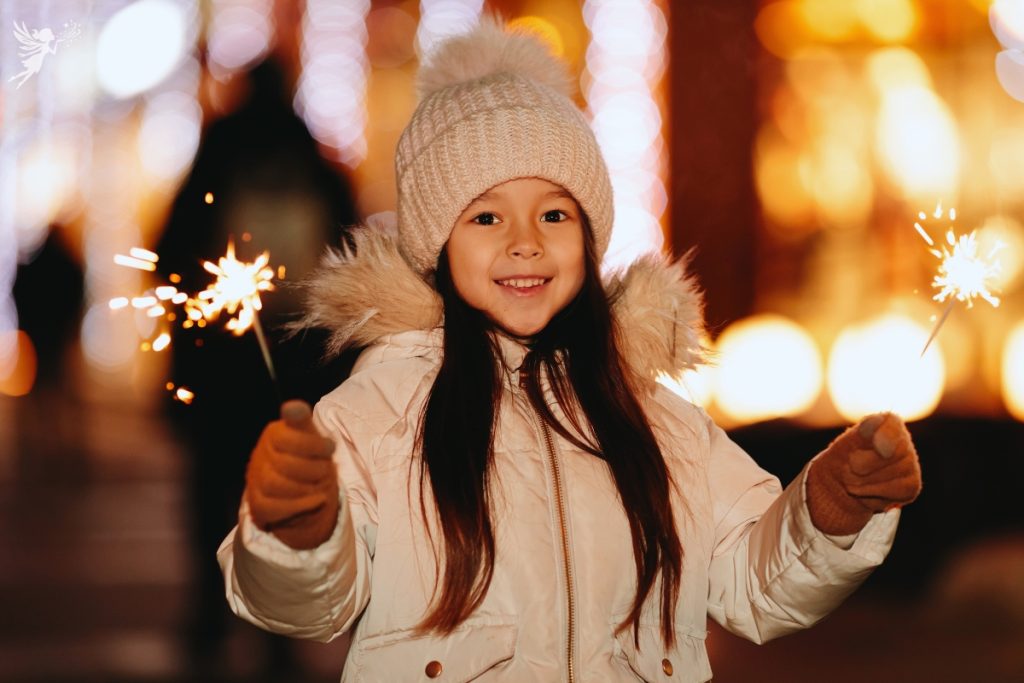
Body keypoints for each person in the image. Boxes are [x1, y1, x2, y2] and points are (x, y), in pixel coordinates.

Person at [217, 18, 922, 682]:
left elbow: (751, 583)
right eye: (486, 216)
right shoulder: (381, 410)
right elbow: (308, 608)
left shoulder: (652, 415)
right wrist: (299, 531)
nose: (524, 240)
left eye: (555, 213)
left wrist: (830, 508)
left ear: (590, 234)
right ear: (437, 243)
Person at [156, 57, 359, 674]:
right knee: (283, 486)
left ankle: (212, 613)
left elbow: (170, 248)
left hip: (221, 357)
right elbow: (350, 258)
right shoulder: (315, 163)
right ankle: (274, 627)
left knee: (212, 487)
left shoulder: (216, 154)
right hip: (293, 363)